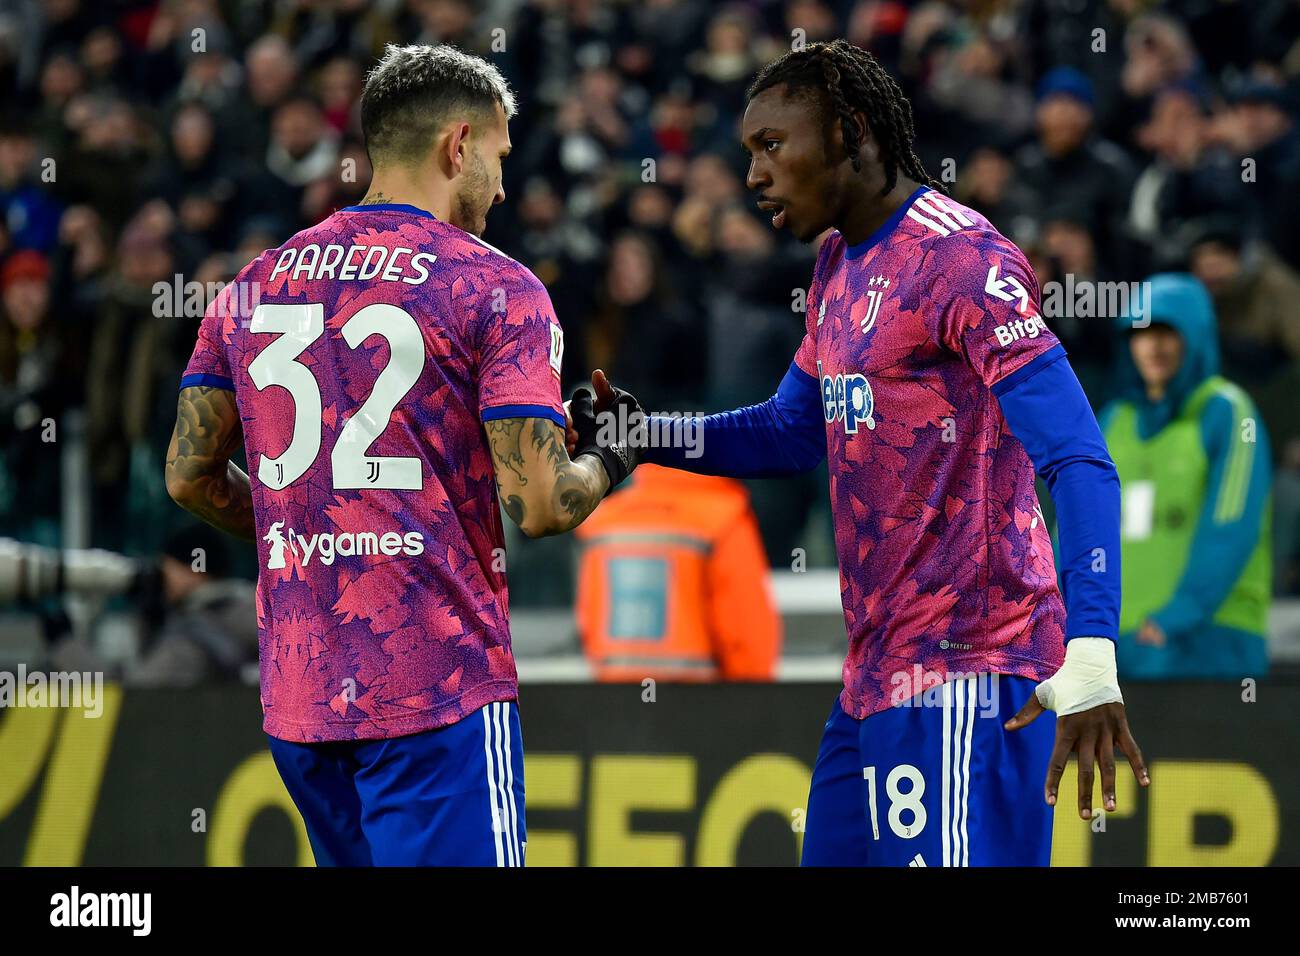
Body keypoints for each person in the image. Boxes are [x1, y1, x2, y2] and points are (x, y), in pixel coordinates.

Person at [571, 39, 1148, 866]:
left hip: (968, 670)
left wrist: (1094, 646)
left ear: (849, 131)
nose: (754, 175)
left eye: (772, 145)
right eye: (748, 153)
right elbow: (790, 430)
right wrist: (641, 434)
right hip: (877, 678)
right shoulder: (839, 263)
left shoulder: (965, 261)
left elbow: (1079, 460)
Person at [165, 44, 635, 867]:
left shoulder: (252, 284)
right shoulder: (496, 287)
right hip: (436, 691)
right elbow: (541, 505)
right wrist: (610, 457)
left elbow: (188, 474)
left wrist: (294, 527)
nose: (500, 182)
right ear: (458, 146)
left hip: (302, 700)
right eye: (497, 157)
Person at [1100, 273, 1272, 679]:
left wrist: (1180, 613)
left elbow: (1231, 525)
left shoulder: (1227, 411)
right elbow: (1073, 530)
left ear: (1195, 336)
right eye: (1140, 333)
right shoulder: (1113, 421)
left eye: (1168, 332)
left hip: (1210, 641)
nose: (1153, 347)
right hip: (1120, 648)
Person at [574, 464, 781, 681]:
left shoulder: (601, 523)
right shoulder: (725, 520)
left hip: (614, 705)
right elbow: (749, 646)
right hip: (705, 707)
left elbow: (589, 623)